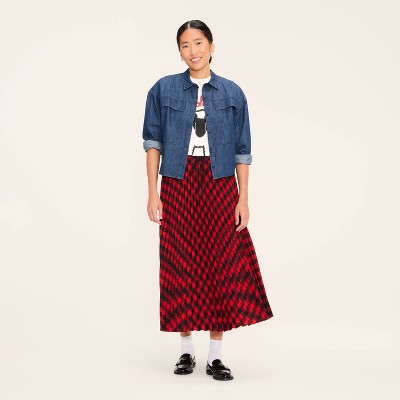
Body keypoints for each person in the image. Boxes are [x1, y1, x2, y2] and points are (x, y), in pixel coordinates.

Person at [142, 20, 274, 381]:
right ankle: (186, 350)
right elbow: (152, 142)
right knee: (179, 261)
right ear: (179, 52)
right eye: (185, 45)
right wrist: (153, 192)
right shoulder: (163, 89)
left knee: (221, 263)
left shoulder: (232, 93)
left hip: (219, 182)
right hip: (177, 180)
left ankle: (216, 356)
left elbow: (243, 150)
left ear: (212, 46)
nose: (193, 51)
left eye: (199, 42)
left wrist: (243, 199)